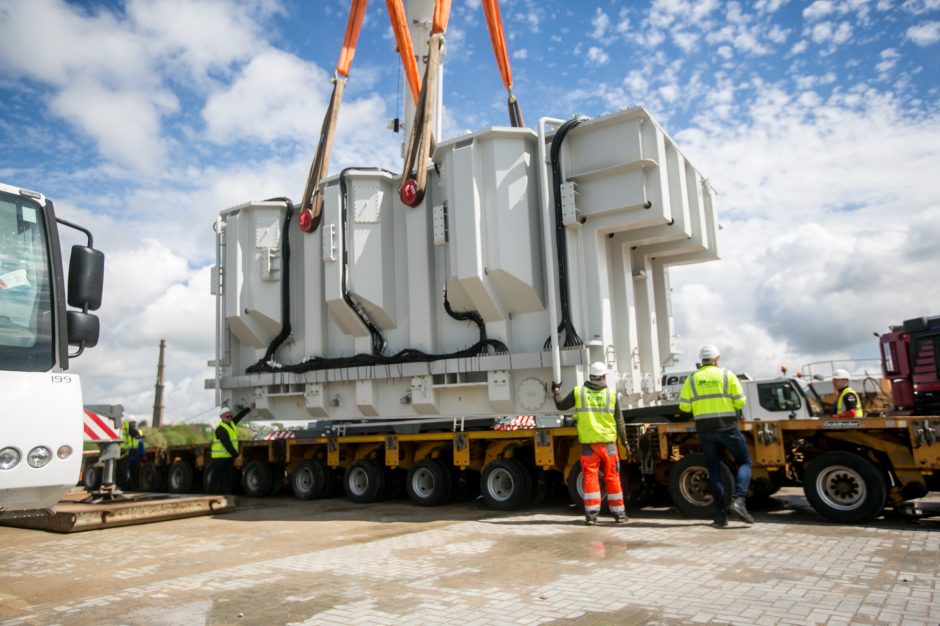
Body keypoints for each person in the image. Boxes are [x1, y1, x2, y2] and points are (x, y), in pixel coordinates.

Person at [678, 345, 754, 528]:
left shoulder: (692, 379)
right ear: (717, 359)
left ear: (701, 360)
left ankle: (720, 516)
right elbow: (740, 401)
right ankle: (738, 500)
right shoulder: (727, 375)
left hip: (705, 430)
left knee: (714, 470)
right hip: (727, 427)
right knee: (744, 461)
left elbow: (684, 407)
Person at [553, 362, 628, 525]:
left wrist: (556, 390)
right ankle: (619, 514)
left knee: (590, 478)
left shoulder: (579, 392)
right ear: (603, 376)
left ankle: (591, 516)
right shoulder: (611, 394)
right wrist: (625, 441)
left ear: (591, 376)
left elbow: (560, 405)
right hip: (608, 444)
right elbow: (620, 420)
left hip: (588, 445)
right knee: (612, 477)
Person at [208, 404, 252, 495]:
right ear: (221, 417)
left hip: (228, 458)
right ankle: (211, 496)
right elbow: (227, 444)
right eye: (227, 416)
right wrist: (236, 455)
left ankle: (226, 497)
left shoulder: (231, 424)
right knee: (216, 478)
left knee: (228, 478)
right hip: (219, 458)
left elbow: (239, 416)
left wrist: (249, 408)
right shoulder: (221, 429)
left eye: (230, 416)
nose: (230, 418)